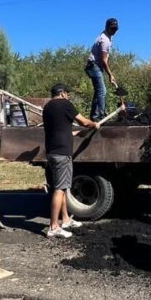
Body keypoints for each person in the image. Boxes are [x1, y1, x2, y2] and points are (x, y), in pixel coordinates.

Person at [42, 84, 100, 238]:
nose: (68, 97)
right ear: (62, 93)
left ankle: (66, 220)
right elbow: (84, 121)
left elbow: (58, 129)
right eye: (67, 94)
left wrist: (73, 133)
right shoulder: (65, 104)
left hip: (52, 152)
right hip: (62, 153)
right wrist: (94, 124)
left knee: (62, 187)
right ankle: (53, 226)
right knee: (60, 189)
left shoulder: (47, 108)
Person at [86, 18, 119, 121]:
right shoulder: (104, 40)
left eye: (115, 29)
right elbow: (104, 60)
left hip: (96, 66)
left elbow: (104, 60)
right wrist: (110, 75)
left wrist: (109, 75)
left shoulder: (108, 37)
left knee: (98, 92)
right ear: (107, 27)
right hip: (93, 65)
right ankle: (101, 116)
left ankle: (94, 117)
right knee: (102, 91)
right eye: (112, 29)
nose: (114, 31)